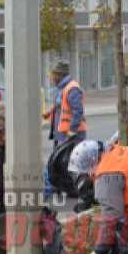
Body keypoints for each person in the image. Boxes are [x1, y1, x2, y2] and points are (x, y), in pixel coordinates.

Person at [45, 61, 86, 197]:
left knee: (71, 162)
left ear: (60, 75)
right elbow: (61, 107)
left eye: (53, 75)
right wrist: (50, 113)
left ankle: (74, 189)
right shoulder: (62, 88)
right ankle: (61, 186)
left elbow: (78, 111)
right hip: (61, 134)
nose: (51, 78)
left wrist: (72, 130)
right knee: (61, 162)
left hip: (71, 134)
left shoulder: (72, 88)